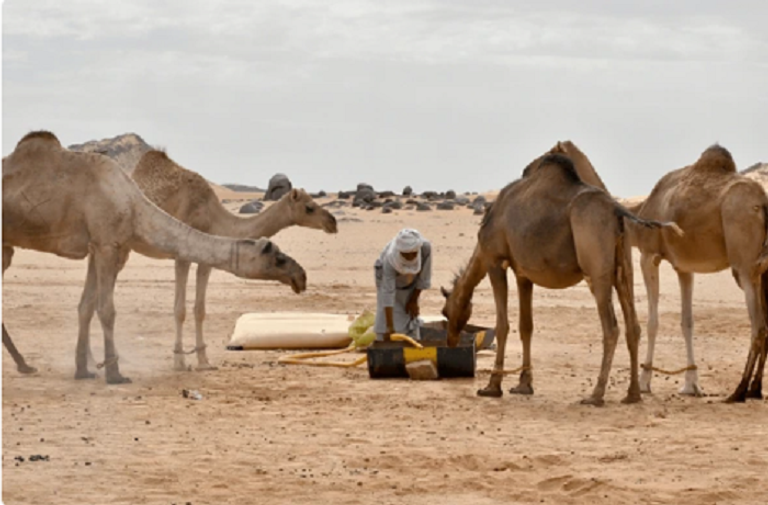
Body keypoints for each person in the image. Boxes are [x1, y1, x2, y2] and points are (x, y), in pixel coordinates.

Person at [373, 228, 432, 341]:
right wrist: (389, 327)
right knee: (386, 324)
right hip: (388, 282)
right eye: (405, 255)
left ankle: (412, 337)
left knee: (409, 313)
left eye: (413, 254)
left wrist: (414, 300)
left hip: (412, 282)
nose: (410, 258)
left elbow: (424, 277)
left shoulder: (425, 248)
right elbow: (388, 293)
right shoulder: (389, 259)